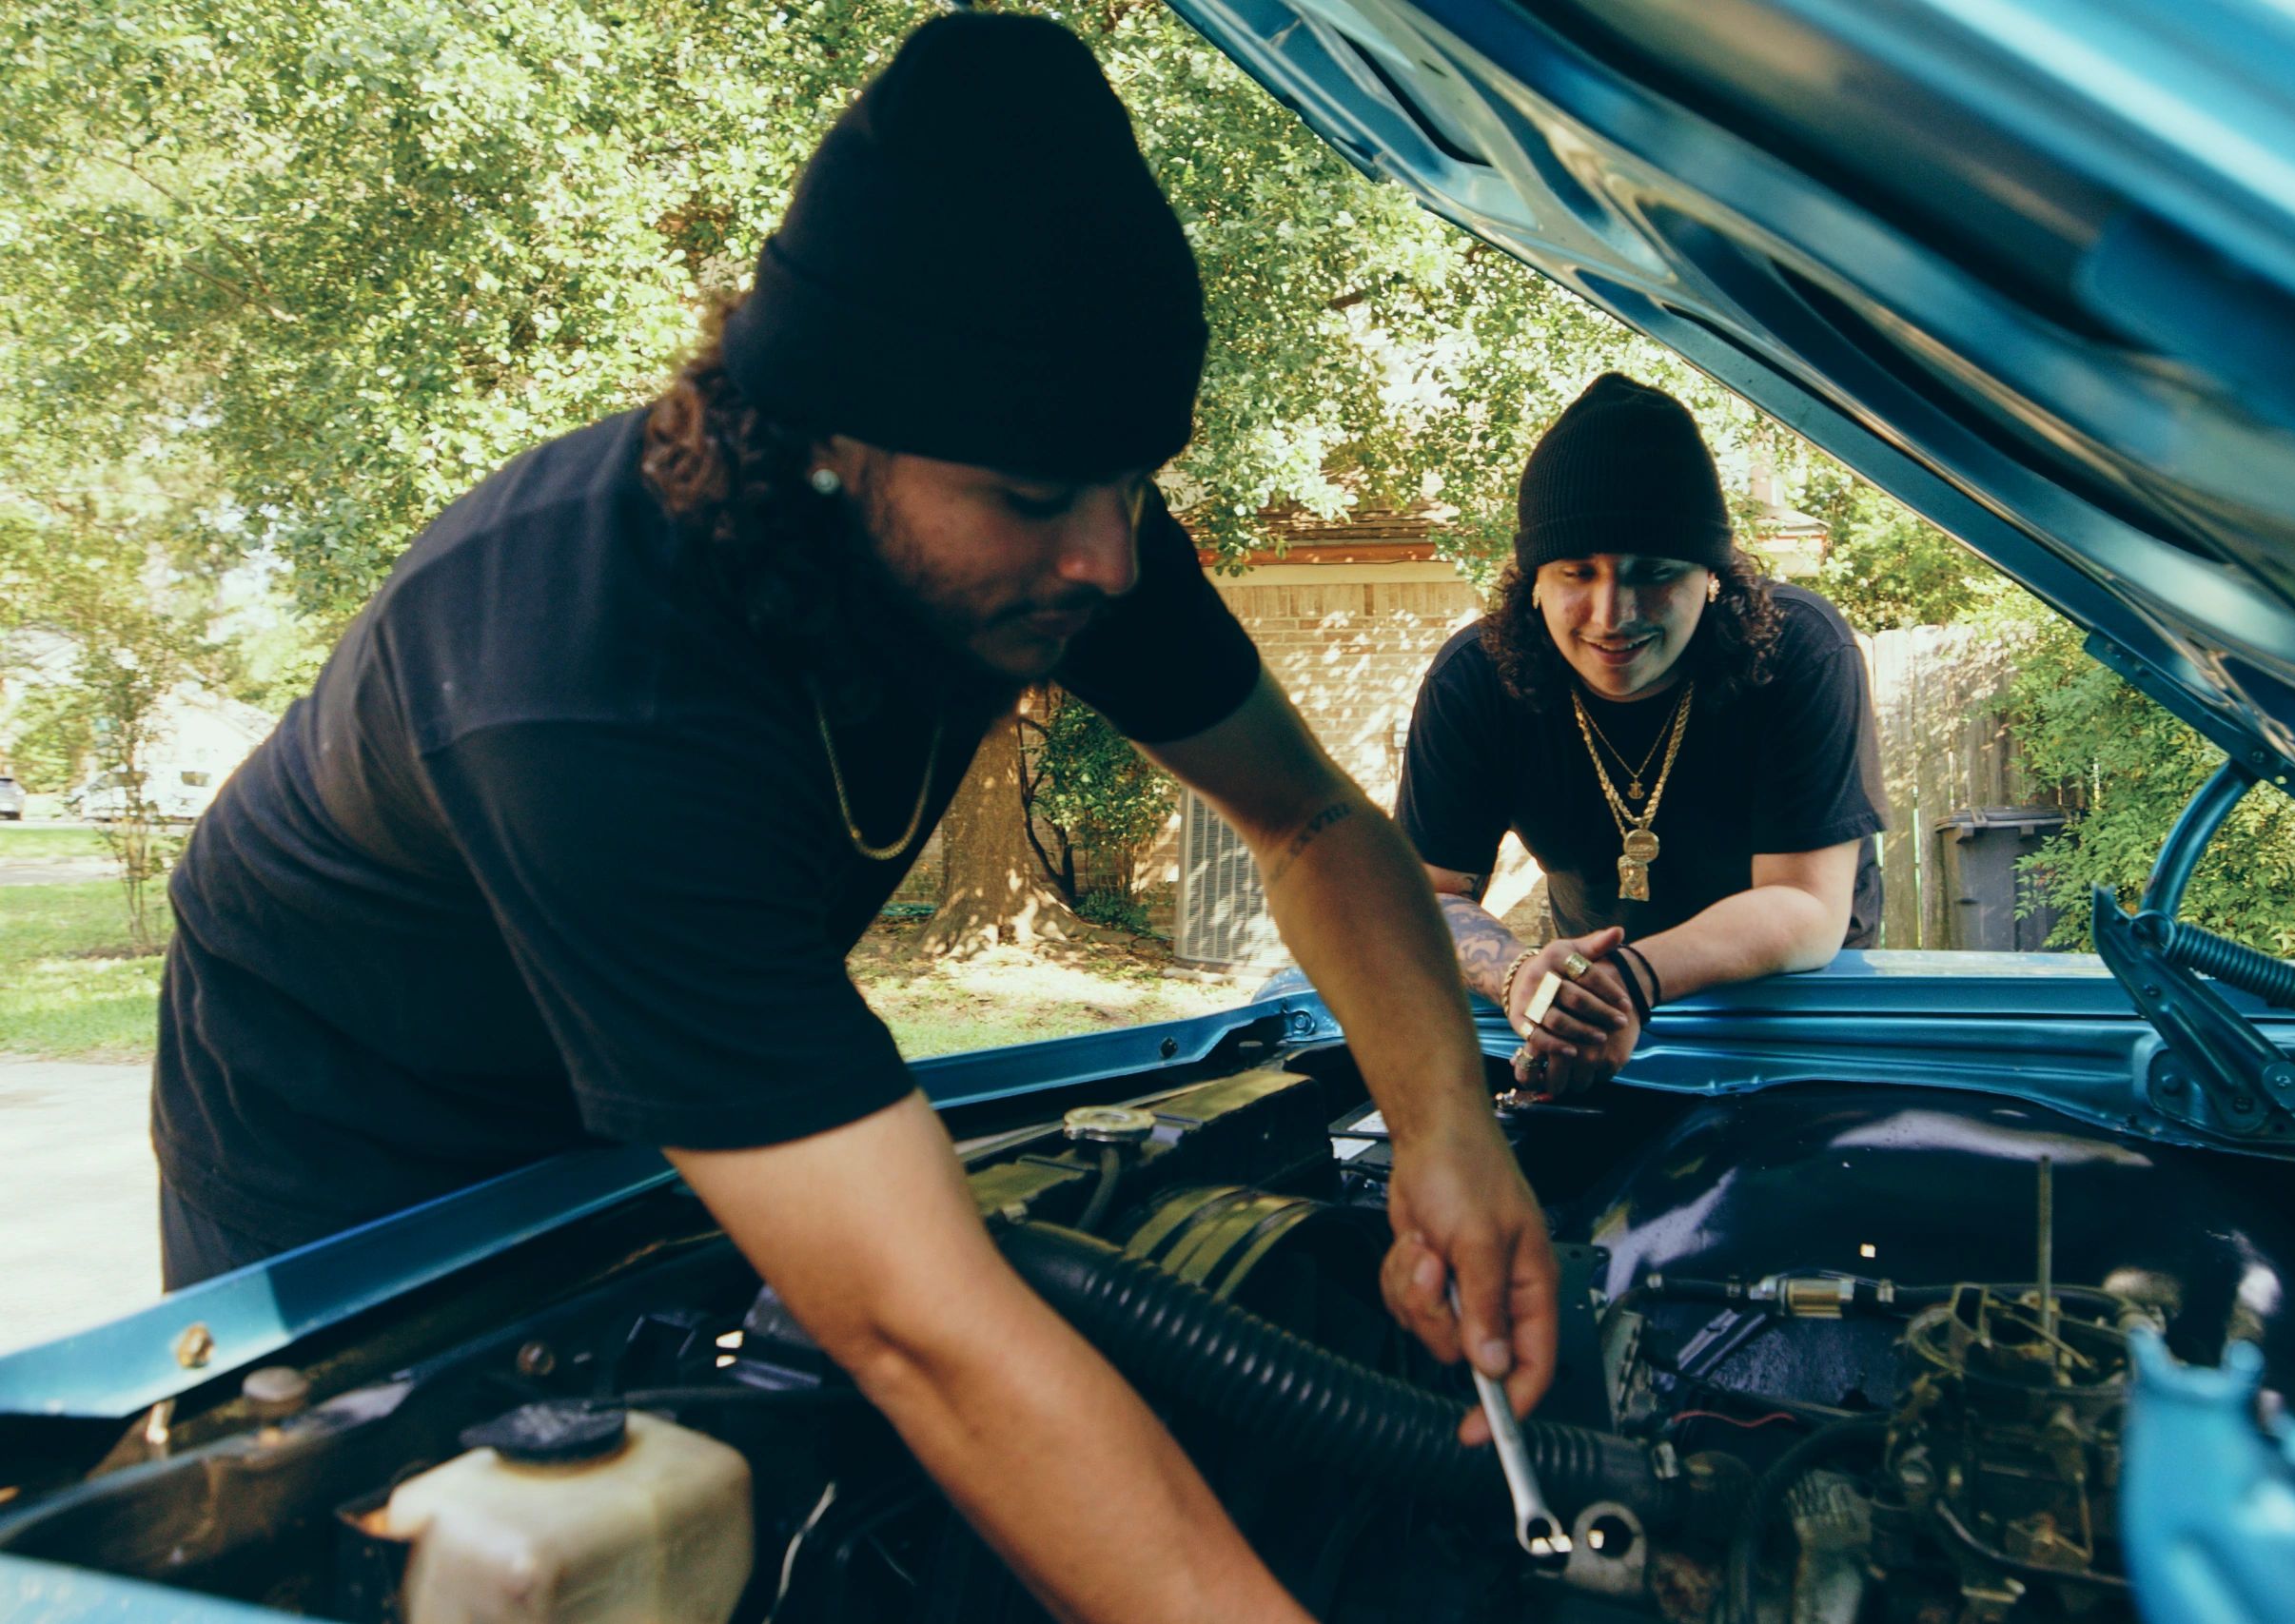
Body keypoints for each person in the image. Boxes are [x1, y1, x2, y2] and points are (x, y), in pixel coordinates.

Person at [150, 17, 1554, 1623]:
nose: (1106, 559)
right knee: (440, 1552)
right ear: (829, 439)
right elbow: (919, 1328)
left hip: (637, 1080)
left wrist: (1449, 1127)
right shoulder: (584, 673)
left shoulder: (1060, 527)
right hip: (349, 1117)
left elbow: (1306, 822)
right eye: (1040, 498)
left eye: (1135, 482)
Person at [1395, 375, 1888, 1094]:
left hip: (1789, 1015)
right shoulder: (1476, 680)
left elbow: (1807, 907)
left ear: (1711, 577)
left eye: (1653, 573)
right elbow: (1424, 896)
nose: (1611, 613)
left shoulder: (1798, 651)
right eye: (1576, 572)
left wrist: (1626, 980)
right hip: (1595, 1016)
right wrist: (1518, 978)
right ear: (1533, 580)